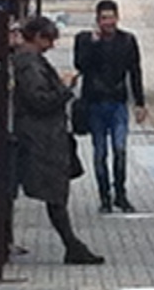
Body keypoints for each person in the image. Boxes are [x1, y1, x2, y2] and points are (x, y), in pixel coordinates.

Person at [11, 14, 103, 265]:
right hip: (41, 137)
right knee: (55, 192)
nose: (51, 45)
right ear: (38, 37)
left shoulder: (29, 60)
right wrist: (65, 87)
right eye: (49, 39)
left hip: (42, 135)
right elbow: (39, 101)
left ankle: (72, 244)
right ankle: (72, 245)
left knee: (52, 192)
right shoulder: (29, 63)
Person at [73, 0, 149, 213]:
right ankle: (104, 197)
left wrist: (140, 102)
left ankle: (121, 194)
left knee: (120, 149)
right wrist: (94, 44)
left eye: (112, 17)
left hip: (117, 103)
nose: (109, 22)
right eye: (104, 18)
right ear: (97, 20)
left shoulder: (127, 41)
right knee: (99, 154)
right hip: (95, 104)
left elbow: (135, 71)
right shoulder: (85, 40)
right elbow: (81, 65)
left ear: (118, 17)